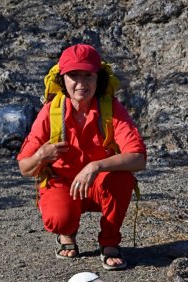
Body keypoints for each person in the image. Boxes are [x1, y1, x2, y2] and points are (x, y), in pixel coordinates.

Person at [17, 43, 146, 270]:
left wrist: (95, 166)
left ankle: (110, 242)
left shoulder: (111, 109)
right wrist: (41, 156)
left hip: (99, 185)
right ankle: (67, 233)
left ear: (99, 79)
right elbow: (25, 168)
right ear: (62, 79)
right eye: (73, 75)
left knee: (122, 177)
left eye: (88, 76)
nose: (81, 83)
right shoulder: (51, 111)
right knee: (59, 218)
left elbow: (138, 158)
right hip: (63, 185)